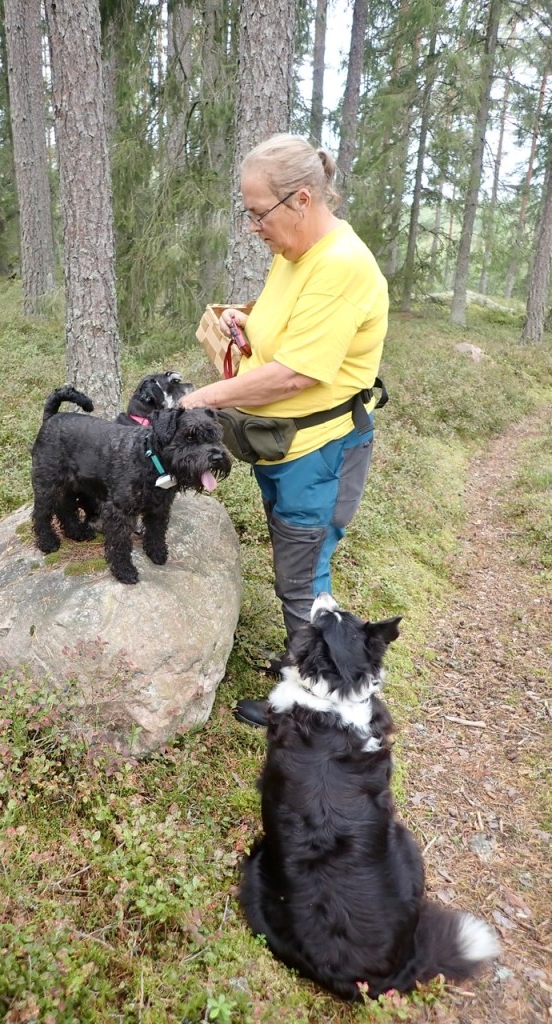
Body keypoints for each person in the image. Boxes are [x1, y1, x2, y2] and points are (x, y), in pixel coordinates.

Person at [181, 133, 389, 727]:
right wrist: (247, 322)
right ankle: (313, 666)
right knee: (298, 567)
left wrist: (199, 399)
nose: (253, 227)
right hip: (283, 446)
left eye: (258, 213)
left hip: (317, 454)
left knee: (302, 578)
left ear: (301, 199)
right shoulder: (295, 251)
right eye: (247, 213)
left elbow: (298, 373)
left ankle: (317, 707)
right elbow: (292, 328)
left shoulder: (342, 264)